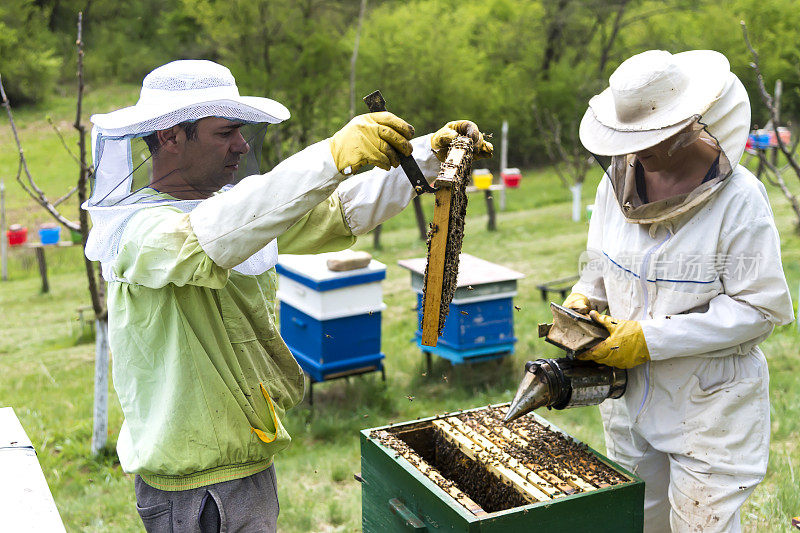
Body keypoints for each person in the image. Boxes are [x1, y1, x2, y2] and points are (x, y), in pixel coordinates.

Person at [83, 59, 492, 532]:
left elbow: (337, 212)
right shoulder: (139, 231)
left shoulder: (229, 209)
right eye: (226, 132)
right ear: (172, 136)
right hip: (193, 487)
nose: (241, 145)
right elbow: (210, 238)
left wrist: (425, 156)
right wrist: (331, 154)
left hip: (245, 462)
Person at [564, 50, 793, 532]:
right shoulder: (616, 184)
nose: (636, 148)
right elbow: (600, 264)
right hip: (628, 404)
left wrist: (650, 340)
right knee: (639, 525)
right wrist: (585, 298)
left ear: (685, 125)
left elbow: (759, 310)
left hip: (707, 409)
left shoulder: (740, 200)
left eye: (648, 136)